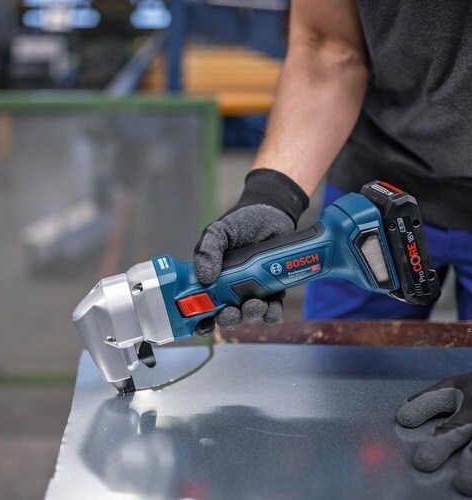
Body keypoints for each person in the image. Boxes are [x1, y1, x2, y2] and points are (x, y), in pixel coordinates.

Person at [193, 0, 472, 333]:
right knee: (333, 362)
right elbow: (326, 45)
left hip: (375, 207)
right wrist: (271, 196)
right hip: (372, 202)